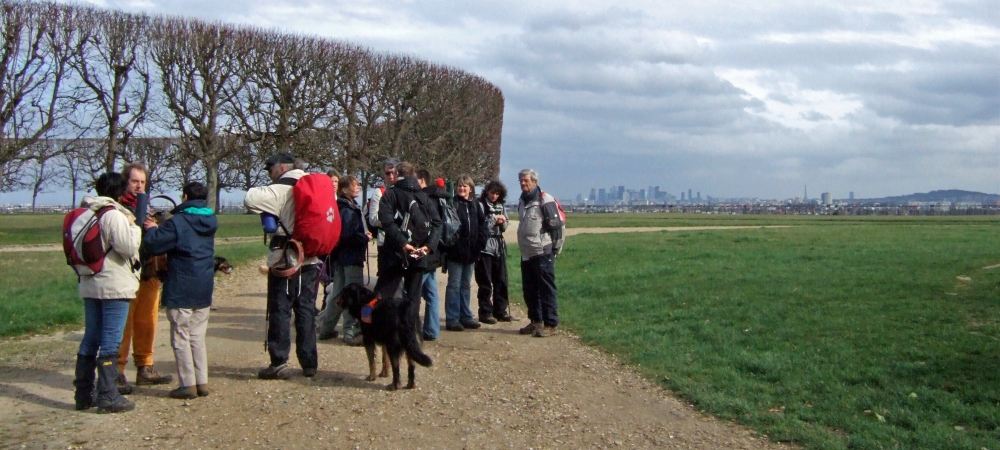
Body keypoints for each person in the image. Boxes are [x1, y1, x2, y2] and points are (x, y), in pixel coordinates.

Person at [243, 153, 321, 379]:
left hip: (285, 256)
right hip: (310, 256)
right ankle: (309, 362)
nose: (269, 173)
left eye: (270, 168)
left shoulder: (281, 188)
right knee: (306, 309)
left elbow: (250, 199)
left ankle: (279, 361)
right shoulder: (313, 184)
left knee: (280, 309)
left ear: (282, 167)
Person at [141, 181, 218, 399]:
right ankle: (202, 381)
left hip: (182, 285)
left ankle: (187, 384)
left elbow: (154, 245)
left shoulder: (179, 222)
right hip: (204, 285)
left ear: (184, 198)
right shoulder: (211, 219)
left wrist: (153, 228)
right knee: (197, 336)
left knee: (181, 336)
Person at [73, 172, 141, 414]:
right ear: (120, 192)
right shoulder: (114, 215)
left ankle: (83, 393)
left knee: (91, 337)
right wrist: (134, 227)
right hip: (113, 284)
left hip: (90, 281)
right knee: (111, 340)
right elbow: (128, 247)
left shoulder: (86, 212)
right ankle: (108, 395)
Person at [116, 163, 172, 391]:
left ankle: (145, 366)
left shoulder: (147, 209)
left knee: (147, 320)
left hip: (149, 273)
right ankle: (117, 370)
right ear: (125, 182)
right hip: (125, 273)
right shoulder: (118, 208)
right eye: (134, 181)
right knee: (123, 323)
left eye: (142, 182)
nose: (139, 186)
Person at [373, 162, 442, 327]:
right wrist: (429, 246)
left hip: (395, 251)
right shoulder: (423, 196)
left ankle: (378, 329)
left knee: (383, 294)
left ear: (397, 174)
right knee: (413, 298)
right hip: (419, 250)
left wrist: (402, 243)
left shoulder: (390, 194)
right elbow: (438, 223)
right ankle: (411, 333)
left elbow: (387, 222)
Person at [317, 175, 371, 346]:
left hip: (339, 257)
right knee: (352, 295)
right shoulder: (347, 209)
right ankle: (351, 332)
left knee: (337, 293)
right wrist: (364, 237)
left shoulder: (338, 206)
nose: (357, 188)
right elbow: (348, 234)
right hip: (351, 257)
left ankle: (326, 328)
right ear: (345, 189)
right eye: (354, 186)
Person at [516, 169, 564, 338]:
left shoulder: (545, 200)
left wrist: (556, 249)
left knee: (546, 289)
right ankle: (536, 321)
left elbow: (557, 227)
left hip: (542, 251)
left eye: (526, 180)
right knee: (529, 289)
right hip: (527, 253)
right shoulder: (522, 200)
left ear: (535, 182)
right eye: (521, 180)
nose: (523, 183)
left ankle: (550, 324)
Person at [443, 175, 488, 332]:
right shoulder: (453, 204)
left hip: (472, 252)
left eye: (465, 186)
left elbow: (483, 226)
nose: (462, 188)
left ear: (470, 188)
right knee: (454, 285)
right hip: (456, 252)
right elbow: (448, 228)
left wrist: (480, 244)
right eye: (459, 186)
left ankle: (466, 316)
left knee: (466, 285)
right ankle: (452, 318)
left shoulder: (476, 205)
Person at [415, 170, 449, 340]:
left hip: (424, 250)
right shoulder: (442, 198)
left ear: (422, 181)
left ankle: (412, 329)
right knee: (431, 293)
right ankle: (432, 330)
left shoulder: (423, 199)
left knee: (412, 292)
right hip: (436, 250)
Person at [475, 180, 512, 323]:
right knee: (485, 281)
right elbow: (481, 224)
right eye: (492, 193)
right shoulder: (480, 205)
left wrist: (503, 223)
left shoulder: (501, 206)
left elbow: (506, 222)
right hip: (485, 247)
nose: (494, 196)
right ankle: (485, 312)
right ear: (487, 191)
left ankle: (500, 310)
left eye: (497, 194)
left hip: (498, 245)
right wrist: (494, 220)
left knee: (501, 280)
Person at [367, 158, 398, 278]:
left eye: (393, 173)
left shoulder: (402, 190)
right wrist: (390, 222)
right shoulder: (379, 192)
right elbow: (373, 219)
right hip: (384, 241)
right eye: (387, 173)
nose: (390, 176)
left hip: (401, 241)